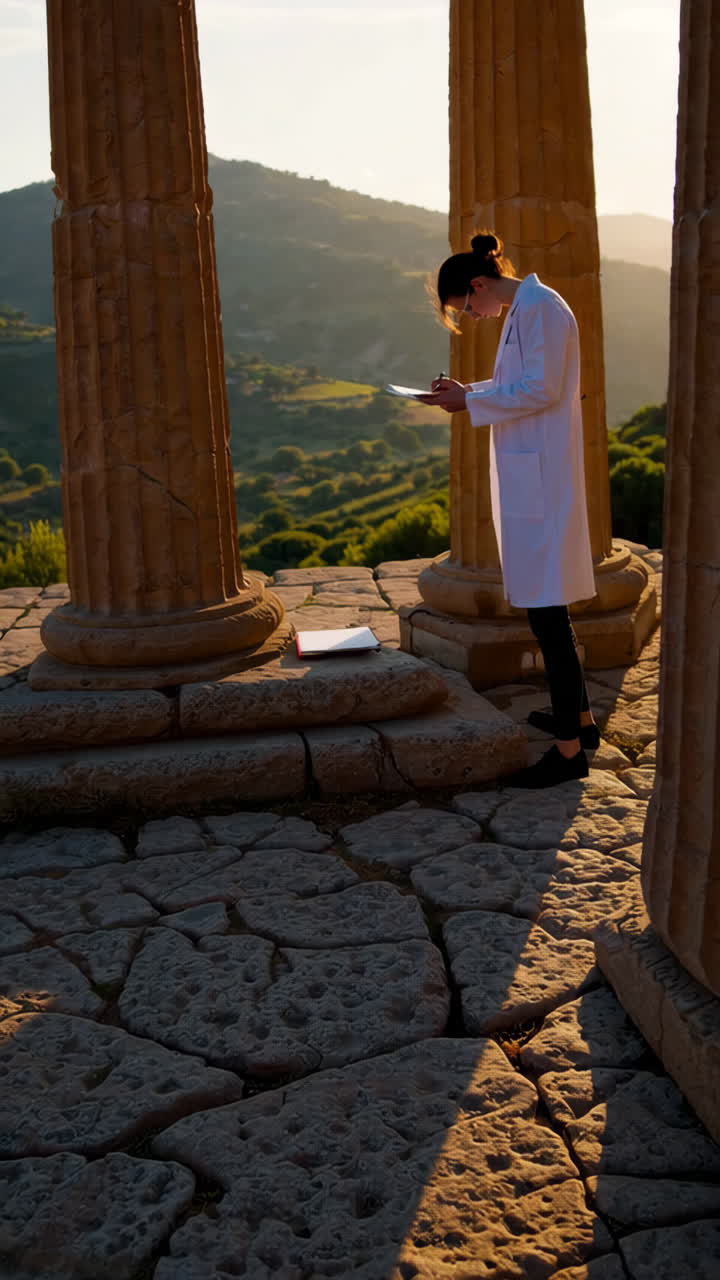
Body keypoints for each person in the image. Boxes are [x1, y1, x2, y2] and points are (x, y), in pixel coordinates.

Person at [419, 230, 600, 789]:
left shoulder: (541, 308)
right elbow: (518, 384)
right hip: (535, 475)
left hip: (542, 481)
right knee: (550, 609)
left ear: (478, 284)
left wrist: (469, 400)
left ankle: (569, 754)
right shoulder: (526, 308)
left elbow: (541, 390)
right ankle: (584, 722)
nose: (472, 316)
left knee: (548, 614)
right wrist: (466, 389)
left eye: (466, 306)